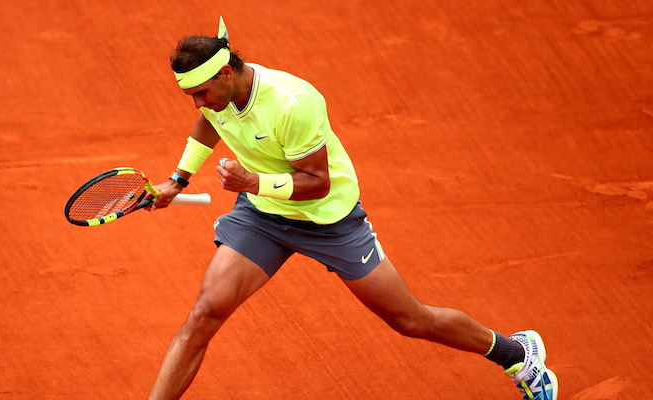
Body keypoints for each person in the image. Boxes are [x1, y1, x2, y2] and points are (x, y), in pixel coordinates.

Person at [145, 16, 558, 400]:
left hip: (329, 219)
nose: (197, 105)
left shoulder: (293, 102)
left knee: (410, 320)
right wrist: (178, 180)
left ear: (225, 73)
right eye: (189, 96)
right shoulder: (218, 100)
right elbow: (209, 123)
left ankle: (516, 355)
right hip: (263, 216)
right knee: (203, 315)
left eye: (201, 93)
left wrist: (251, 182)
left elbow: (317, 183)